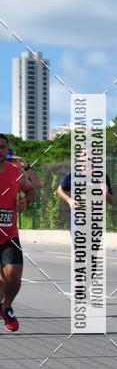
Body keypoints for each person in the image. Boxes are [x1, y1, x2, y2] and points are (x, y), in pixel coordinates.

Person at [0, 133, 37, 331]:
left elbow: (32, 190)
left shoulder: (16, 171)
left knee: (14, 275)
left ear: (7, 150)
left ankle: (6, 307)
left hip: (9, 234)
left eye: (2, 147)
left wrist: (26, 200)